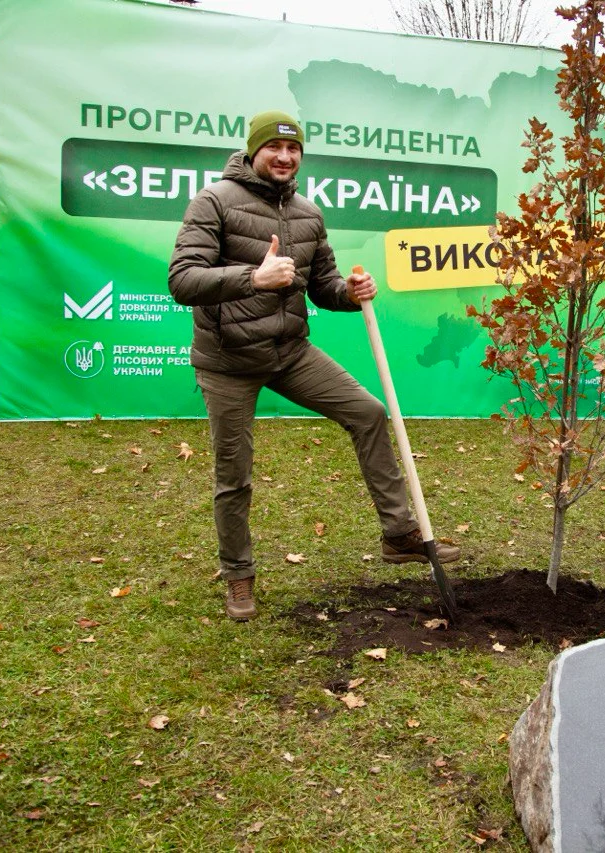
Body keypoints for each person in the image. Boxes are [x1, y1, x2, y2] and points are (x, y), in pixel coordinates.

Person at [169, 110, 460, 621]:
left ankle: (398, 536)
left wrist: (351, 293)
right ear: (253, 151)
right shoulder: (214, 201)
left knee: (367, 412)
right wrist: (252, 278)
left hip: (290, 352)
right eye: (274, 149)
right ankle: (238, 576)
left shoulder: (306, 213)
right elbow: (183, 280)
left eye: (294, 150)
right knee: (234, 474)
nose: (284, 157)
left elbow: (323, 287)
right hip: (228, 361)